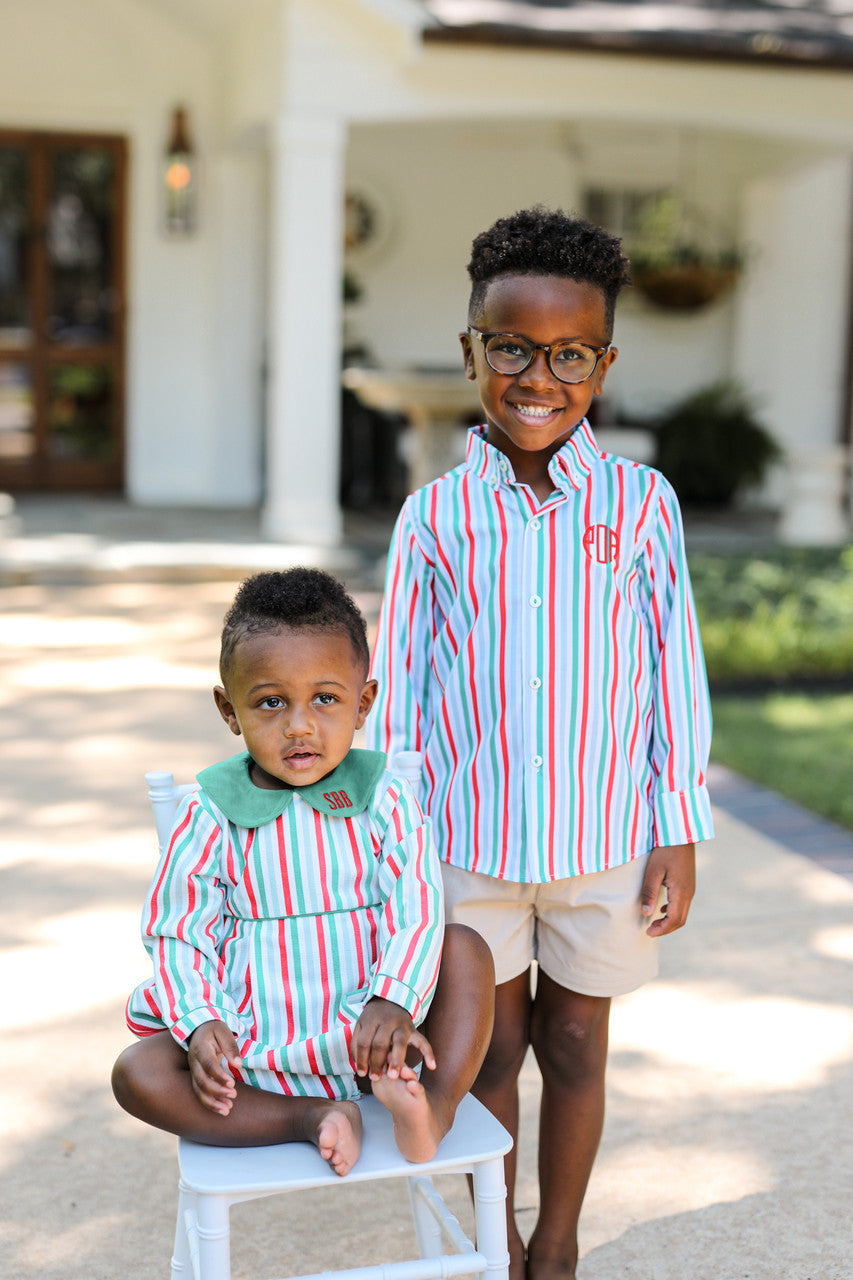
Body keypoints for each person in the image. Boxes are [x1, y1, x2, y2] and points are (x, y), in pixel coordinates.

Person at [367, 207, 714, 1277]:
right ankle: (494, 1232)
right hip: (468, 842)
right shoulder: (433, 518)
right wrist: (394, 842)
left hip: (602, 837)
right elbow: (403, 694)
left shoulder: (639, 504)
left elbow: (672, 671)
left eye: (568, 354)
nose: (537, 376)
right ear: (472, 349)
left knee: (573, 1043)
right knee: (489, 1051)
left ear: (601, 363)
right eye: (511, 347)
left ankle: (555, 1243)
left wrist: (679, 823)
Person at [112, 568, 494, 1178]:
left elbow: (416, 907)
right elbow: (177, 929)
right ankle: (308, 1115)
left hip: (376, 1038)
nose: (299, 725)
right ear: (228, 710)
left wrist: (394, 999)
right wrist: (201, 1020)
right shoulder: (210, 814)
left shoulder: (385, 800)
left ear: (363, 703)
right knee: (138, 1073)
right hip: (255, 1042)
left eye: (325, 698)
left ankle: (430, 1112)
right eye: (270, 702)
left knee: (466, 949)